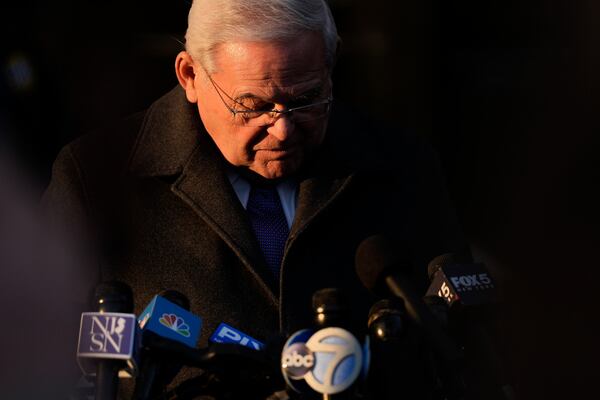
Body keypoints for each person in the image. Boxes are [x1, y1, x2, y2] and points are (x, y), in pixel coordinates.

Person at [42, 0, 465, 397]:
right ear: (190, 75)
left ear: (330, 65)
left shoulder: (401, 168)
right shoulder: (95, 179)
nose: (282, 129)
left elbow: (460, 350)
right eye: (253, 105)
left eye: (305, 99)